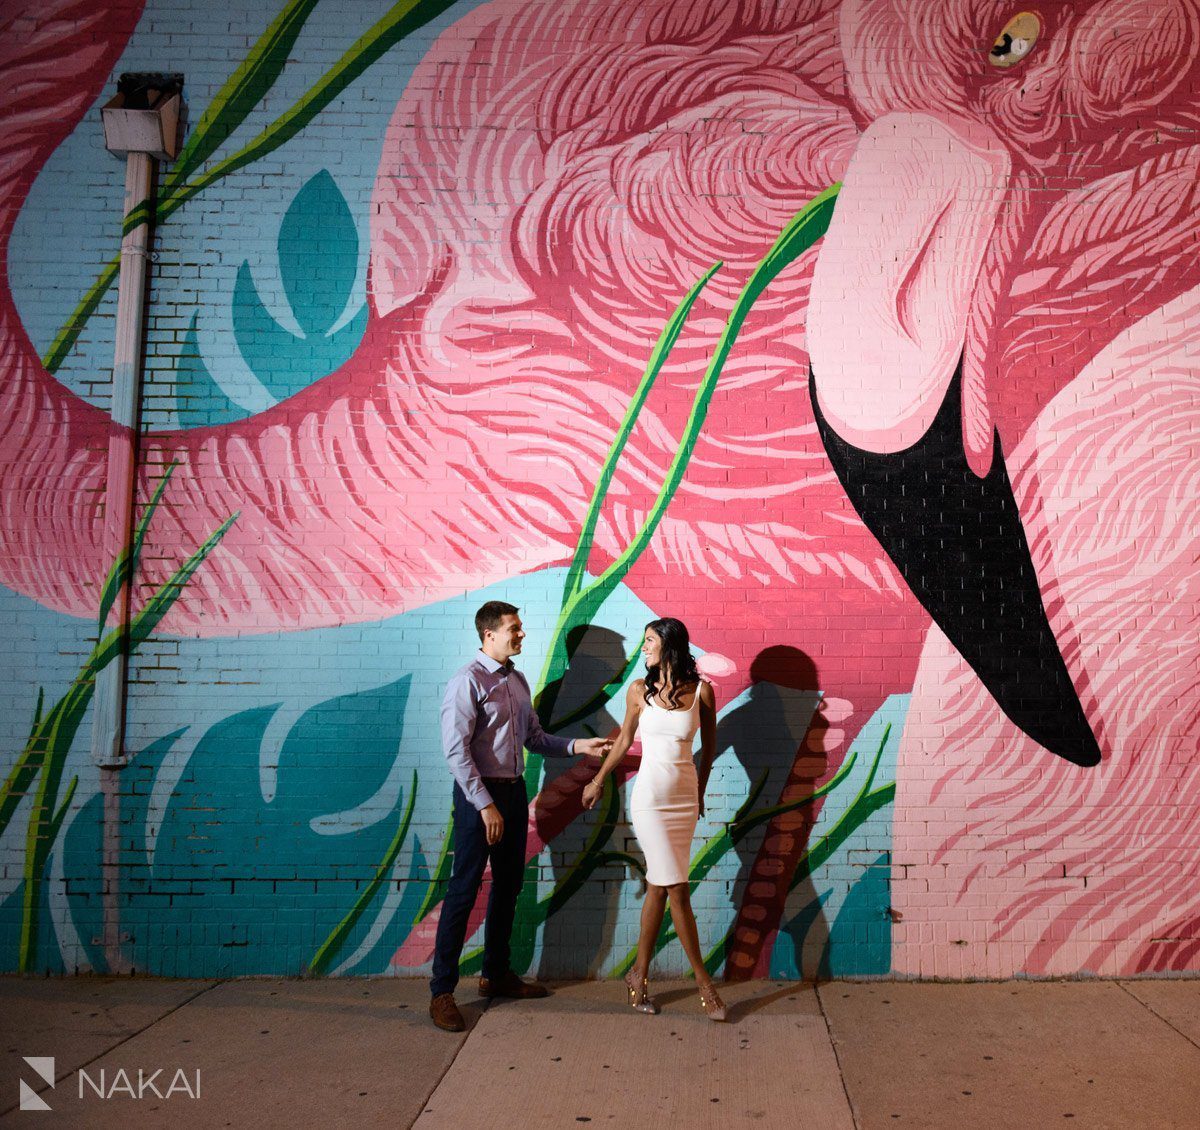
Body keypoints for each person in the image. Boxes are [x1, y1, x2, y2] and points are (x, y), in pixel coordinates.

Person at [430, 601, 612, 1032]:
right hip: (481, 799)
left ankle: (496, 975)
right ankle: (441, 992)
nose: (521, 634)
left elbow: (534, 738)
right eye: (514, 628)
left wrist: (578, 747)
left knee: (509, 886)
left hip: (513, 794)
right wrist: (484, 804)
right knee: (463, 890)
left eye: (521, 627)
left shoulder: (516, 680)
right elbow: (456, 753)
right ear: (489, 634)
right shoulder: (466, 682)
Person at [582, 617, 724, 1020]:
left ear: (670, 645)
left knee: (659, 887)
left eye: (649, 641)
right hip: (648, 801)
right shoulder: (638, 692)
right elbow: (625, 739)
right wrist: (597, 779)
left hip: (682, 800)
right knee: (677, 887)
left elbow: (708, 749)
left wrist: (699, 792)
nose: (643, 648)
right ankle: (705, 985)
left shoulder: (702, 692)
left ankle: (638, 976)